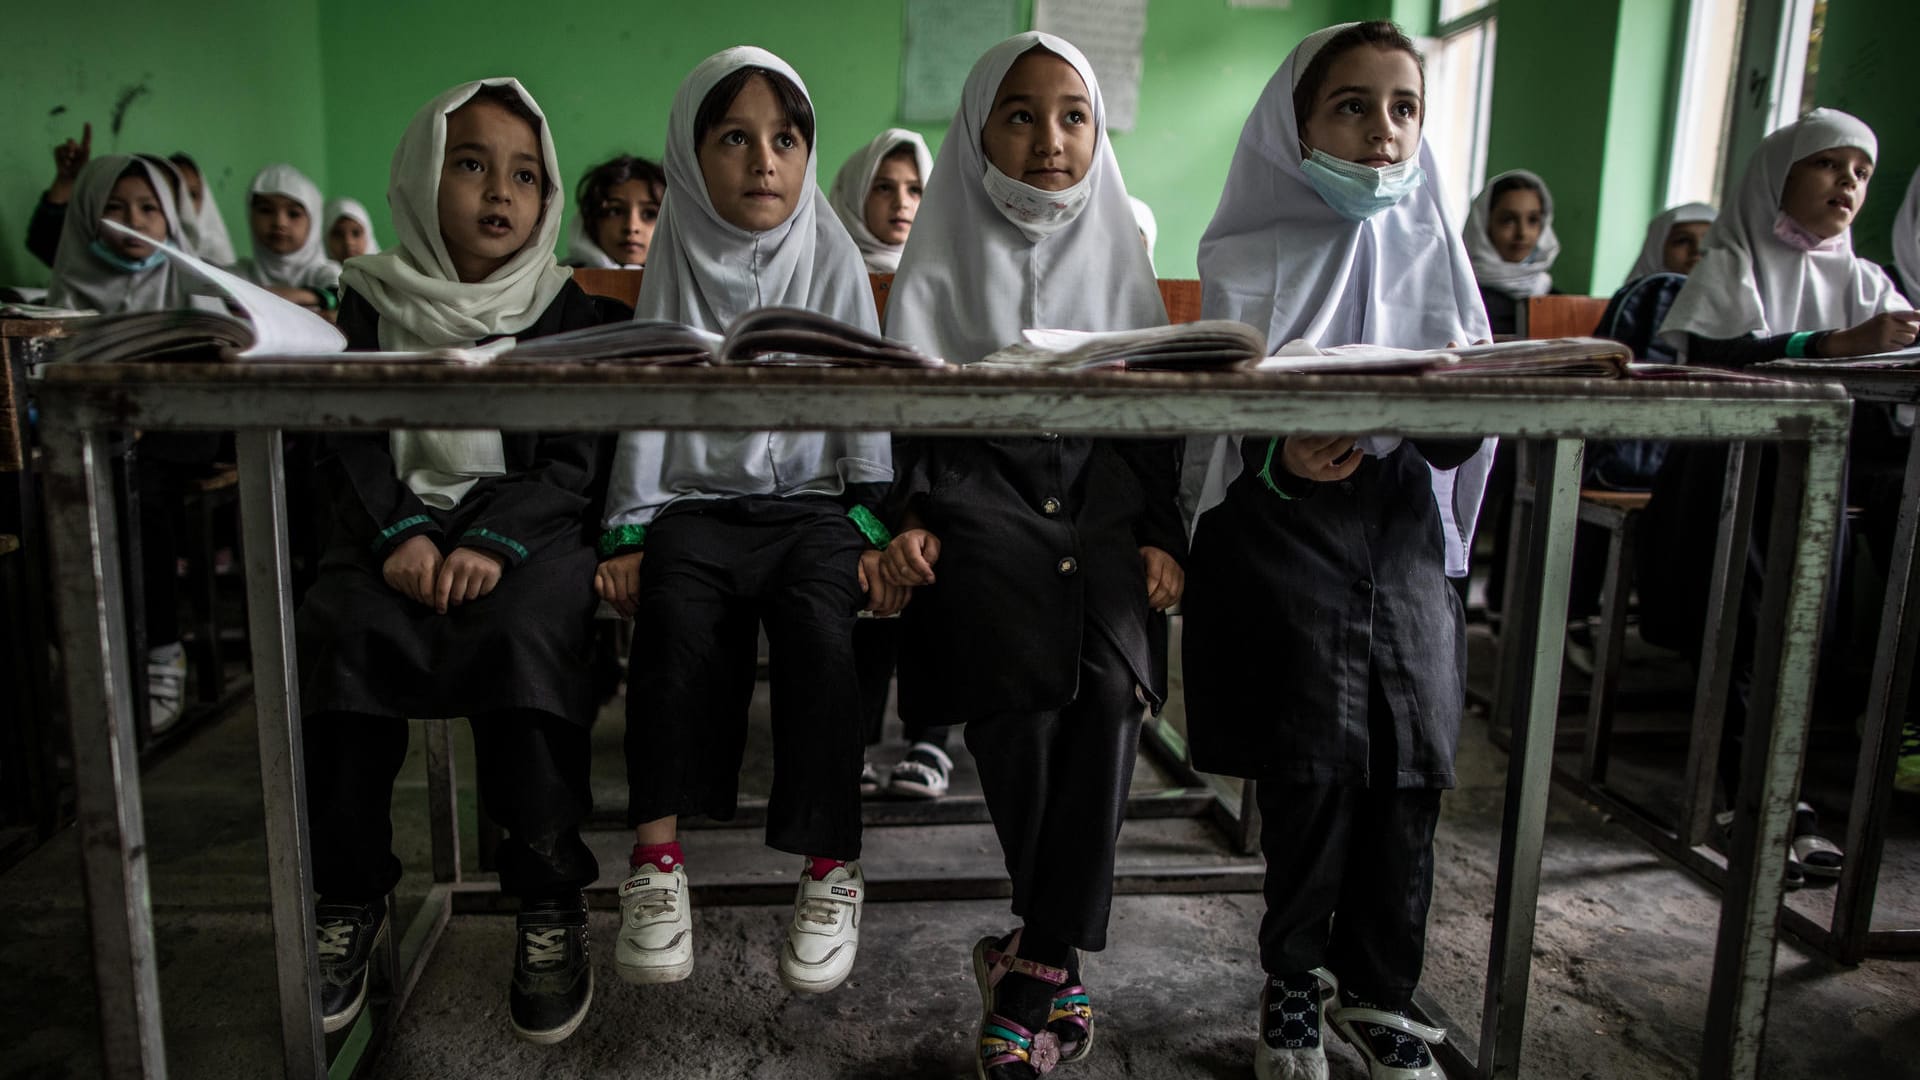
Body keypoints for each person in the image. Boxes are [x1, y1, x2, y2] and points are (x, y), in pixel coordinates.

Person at [1183, 21, 1492, 1079]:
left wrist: (1445, 402)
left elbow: (1469, 425)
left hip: (1400, 526)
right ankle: (1294, 982)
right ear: (1296, 124)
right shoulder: (1245, 249)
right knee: (1313, 768)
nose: (1380, 133)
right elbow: (1218, 432)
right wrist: (1278, 448)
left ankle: (1384, 995)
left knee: (1410, 764)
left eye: (1403, 108)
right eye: (1351, 107)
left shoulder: (1434, 243)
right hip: (1284, 527)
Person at [881, 33, 1186, 1079]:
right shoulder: (940, 248)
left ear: (1098, 133)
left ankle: (1034, 961)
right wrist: (911, 515)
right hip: (979, 500)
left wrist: (1160, 534)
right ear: (975, 131)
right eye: (1020, 113)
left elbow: (1154, 419)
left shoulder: (1117, 248)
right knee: (1016, 692)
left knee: (1108, 692)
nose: (1050, 139)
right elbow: (910, 412)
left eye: (1073, 115)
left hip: (1098, 503)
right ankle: (1049, 964)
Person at [299, 77, 627, 1044]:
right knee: (342, 632)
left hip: (523, 534)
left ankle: (548, 900)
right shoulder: (365, 303)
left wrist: (492, 539)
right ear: (417, 175)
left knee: (530, 636)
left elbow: (576, 458)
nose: (501, 193)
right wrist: (401, 532)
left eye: (526, 175)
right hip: (389, 530)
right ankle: (349, 897)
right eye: (472, 164)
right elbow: (343, 439)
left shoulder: (567, 310)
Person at [594, 46, 900, 997]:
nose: (764, 161)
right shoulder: (676, 247)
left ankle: (828, 866)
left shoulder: (833, 249)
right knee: (674, 623)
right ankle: (655, 863)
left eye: (786, 139)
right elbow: (648, 396)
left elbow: (865, 386)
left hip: (814, 507)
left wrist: (871, 511)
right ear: (692, 158)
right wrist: (630, 529)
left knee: (820, 630)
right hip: (697, 506)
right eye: (734, 138)